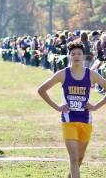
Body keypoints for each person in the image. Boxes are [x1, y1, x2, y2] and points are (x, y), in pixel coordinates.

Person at [38, 41, 106, 178]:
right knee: (74, 159)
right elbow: (41, 90)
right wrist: (57, 107)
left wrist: (96, 106)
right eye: (73, 53)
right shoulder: (63, 74)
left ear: (84, 56)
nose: (76, 56)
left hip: (86, 121)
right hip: (69, 121)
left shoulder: (91, 74)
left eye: (79, 54)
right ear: (69, 56)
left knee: (79, 160)